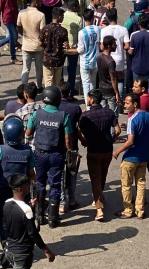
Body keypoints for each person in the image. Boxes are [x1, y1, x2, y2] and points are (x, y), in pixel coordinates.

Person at [26, 85, 72, 227]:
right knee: (55, 185)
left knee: (39, 183)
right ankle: (53, 218)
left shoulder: (36, 114)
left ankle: (39, 215)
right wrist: (69, 152)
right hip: (56, 155)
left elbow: (28, 133)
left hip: (39, 154)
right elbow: (68, 140)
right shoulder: (63, 116)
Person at [0, 117, 35, 242]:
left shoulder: (0, 151)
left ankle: (5, 241)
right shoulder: (27, 151)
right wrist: (35, 192)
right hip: (22, 191)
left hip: (4, 190)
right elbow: (32, 174)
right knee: (23, 217)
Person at [78, 89, 120, 220]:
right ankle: (99, 196)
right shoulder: (109, 112)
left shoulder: (85, 116)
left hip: (93, 150)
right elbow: (118, 130)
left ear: (92, 99)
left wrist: (84, 141)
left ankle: (99, 209)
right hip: (107, 149)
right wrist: (112, 139)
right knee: (103, 174)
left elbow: (78, 131)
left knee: (95, 178)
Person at [3, 173, 56, 267]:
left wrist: (30, 207)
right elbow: (33, 233)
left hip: (9, 250)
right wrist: (47, 251)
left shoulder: (7, 204)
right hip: (21, 254)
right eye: (26, 185)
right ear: (19, 189)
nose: (28, 186)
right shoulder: (26, 210)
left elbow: (12, 221)